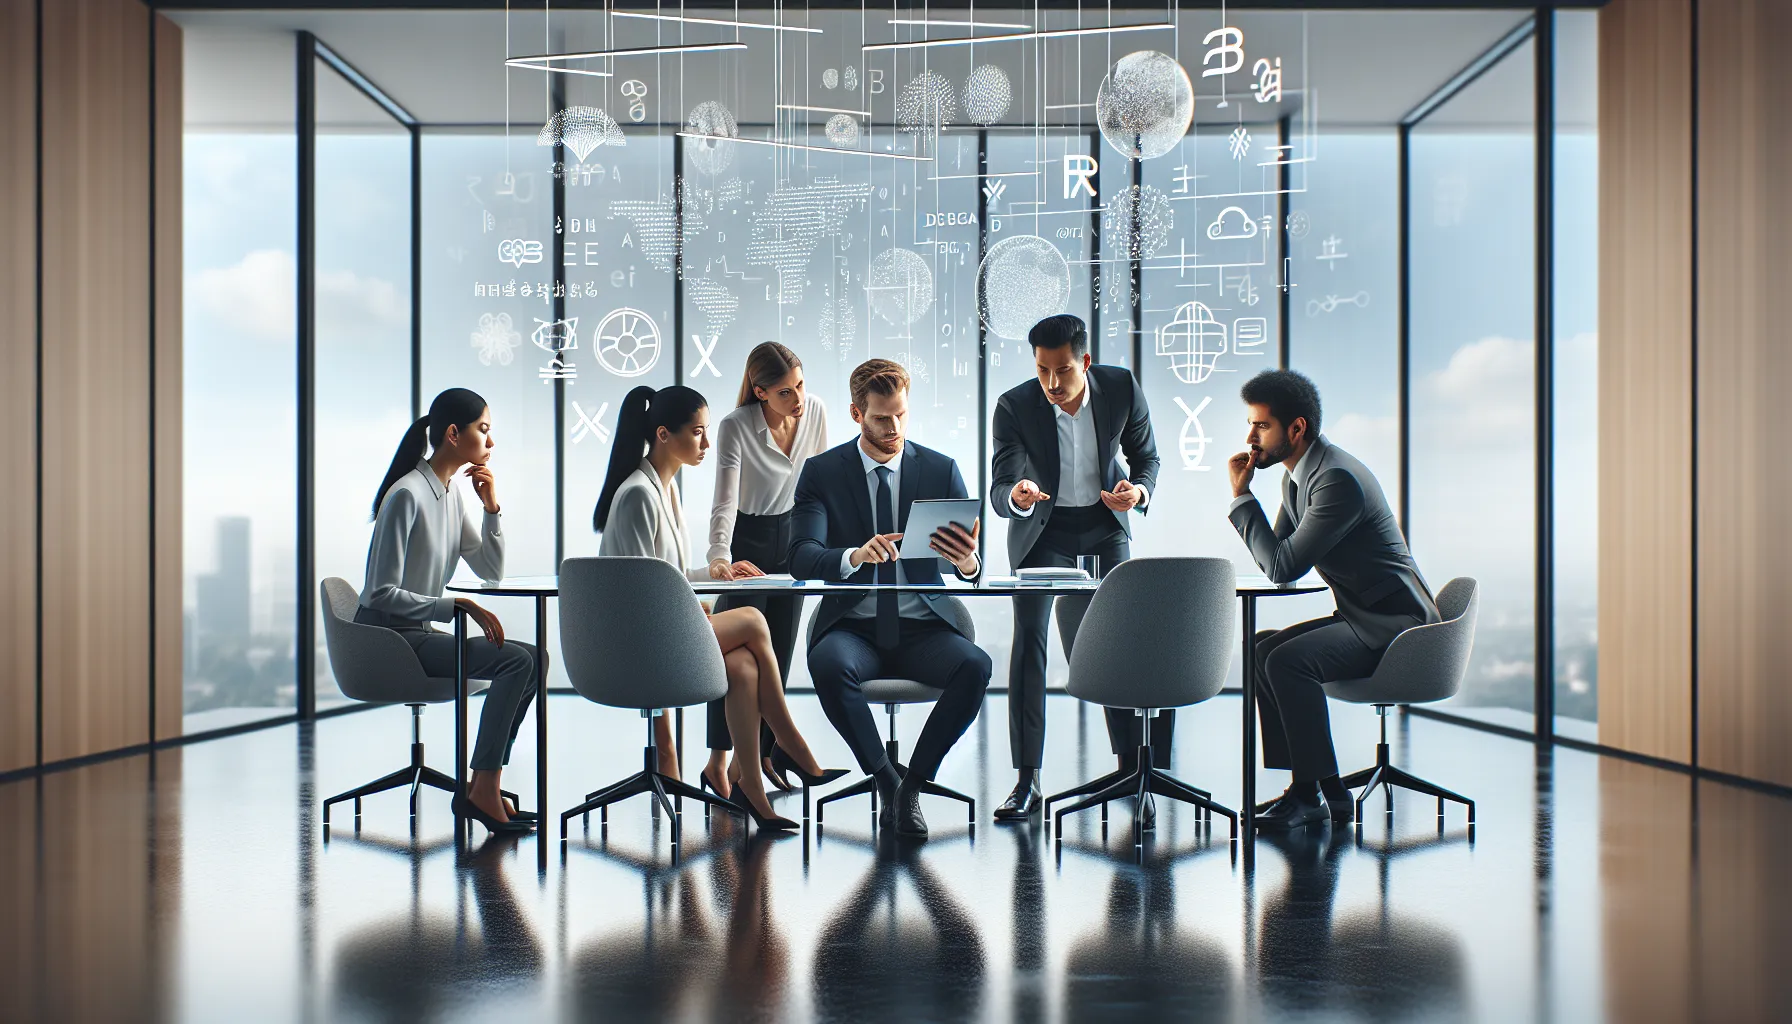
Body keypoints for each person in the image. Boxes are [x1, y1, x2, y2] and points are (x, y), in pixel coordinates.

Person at [594, 384, 845, 831]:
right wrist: (697, 612)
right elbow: (637, 595)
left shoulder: (664, 489)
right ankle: (789, 742)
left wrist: (715, 574)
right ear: (664, 434)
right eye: (697, 433)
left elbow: (663, 572)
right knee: (751, 618)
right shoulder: (637, 494)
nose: (707, 444)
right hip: (638, 644)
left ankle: (749, 783)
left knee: (746, 666)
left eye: (707, 432)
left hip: (663, 628)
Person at [1226, 369, 1440, 831]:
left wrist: (1241, 496)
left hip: (1397, 624)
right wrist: (1252, 502)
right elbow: (1277, 556)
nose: (1250, 437)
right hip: (1365, 616)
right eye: (1251, 424)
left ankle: (1320, 794)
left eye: (1261, 425)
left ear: (1296, 428)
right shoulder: (1298, 478)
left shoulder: (1336, 480)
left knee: (1287, 663)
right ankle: (1311, 789)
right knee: (1263, 649)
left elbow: (1283, 566)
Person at [790, 359, 992, 838]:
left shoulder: (941, 469)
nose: (894, 427)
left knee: (976, 666)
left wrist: (968, 563)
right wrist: (854, 556)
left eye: (901, 414)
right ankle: (886, 780)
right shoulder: (822, 473)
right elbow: (802, 557)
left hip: (922, 627)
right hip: (854, 628)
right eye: (882, 418)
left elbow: (967, 566)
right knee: (827, 663)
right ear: (856, 414)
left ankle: (912, 787)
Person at [988, 314, 1161, 824]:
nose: (1052, 384)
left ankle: (1133, 770)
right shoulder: (1015, 405)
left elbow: (1146, 456)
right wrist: (1016, 497)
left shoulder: (1121, 388)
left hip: (1105, 522)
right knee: (1031, 642)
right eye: (1042, 370)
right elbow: (1002, 485)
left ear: (1085, 361)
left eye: (1062, 370)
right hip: (1045, 527)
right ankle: (1027, 780)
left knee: (1120, 641)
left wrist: (1138, 490)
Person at [358, 388, 542, 834]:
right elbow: (379, 593)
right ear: (453, 434)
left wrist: (492, 508)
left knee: (536, 658)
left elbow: (489, 569)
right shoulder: (406, 495)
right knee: (517, 660)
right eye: (484, 430)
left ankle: (485, 783)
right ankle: (484, 788)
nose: (490, 442)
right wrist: (451, 604)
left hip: (419, 634)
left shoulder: (450, 494)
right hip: (389, 640)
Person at [704, 343, 830, 799]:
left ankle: (752, 760)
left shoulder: (814, 411)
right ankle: (719, 761)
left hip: (794, 538)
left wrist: (827, 545)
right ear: (759, 392)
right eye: (783, 392)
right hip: (748, 544)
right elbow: (726, 499)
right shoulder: (736, 426)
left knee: (778, 655)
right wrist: (719, 555)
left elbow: (822, 483)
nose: (797, 399)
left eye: (799, 385)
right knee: (736, 662)